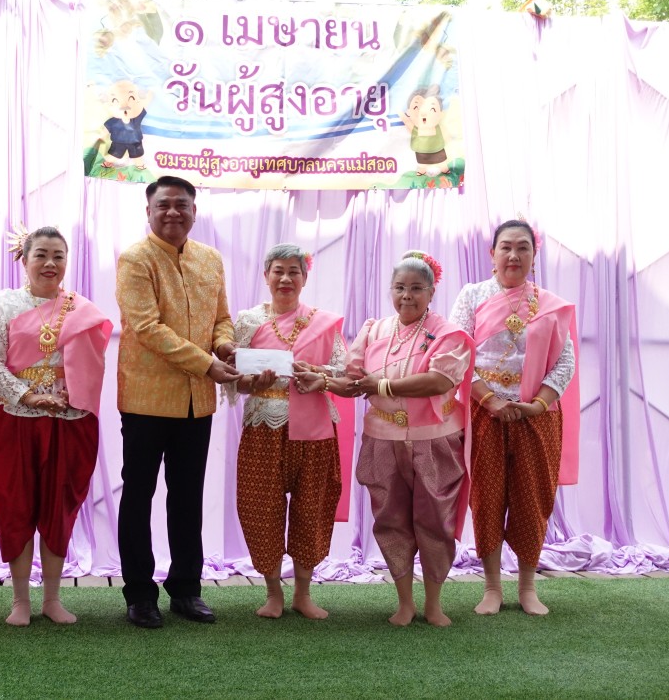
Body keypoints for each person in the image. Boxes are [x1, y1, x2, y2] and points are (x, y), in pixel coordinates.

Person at [115, 176, 241, 629]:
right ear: (148, 211)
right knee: (138, 496)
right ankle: (139, 594)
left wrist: (224, 345)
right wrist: (207, 363)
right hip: (146, 398)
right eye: (164, 204)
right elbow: (147, 328)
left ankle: (186, 589)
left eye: (181, 204)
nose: (173, 212)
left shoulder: (210, 258)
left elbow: (222, 318)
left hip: (196, 403)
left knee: (188, 497)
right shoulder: (135, 259)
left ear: (194, 210)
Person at [0, 226, 114, 626]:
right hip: (13, 420)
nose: (50, 263)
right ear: (24, 260)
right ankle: (20, 600)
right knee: (14, 505)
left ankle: (52, 598)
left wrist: (73, 394)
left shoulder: (80, 309)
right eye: (41, 254)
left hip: (66, 422)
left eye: (58, 255)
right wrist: (27, 395)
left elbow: (93, 365)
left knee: (59, 507)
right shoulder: (6, 303)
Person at [331, 251, 473, 627]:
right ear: (390, 290)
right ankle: (405, 602)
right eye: (399, 287)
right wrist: (322, 380)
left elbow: (439, 381)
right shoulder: (375, 330)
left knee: (436, 520)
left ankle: (434, 603)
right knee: (390, 519)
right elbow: (352, 379)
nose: (406, 296)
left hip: (435, 440)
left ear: (431, 292)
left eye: (416, 288)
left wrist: (382, 385)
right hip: (382, 438)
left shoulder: (448, 334)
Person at [450, 219, 577, 617]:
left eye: (523, 247)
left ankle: (527, 587)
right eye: (506, 247)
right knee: (486, 497)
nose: (514, 255)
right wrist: (489, 400)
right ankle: (491, 587)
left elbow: (566, 361)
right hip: (483, 412)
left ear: (534, 257)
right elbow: (456, 354)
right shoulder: (472, 296)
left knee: (532, 498)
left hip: (536, 416)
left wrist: (536, 404)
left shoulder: (550, 304)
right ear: (492, 254)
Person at [227, 244, 345, 620]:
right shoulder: (248, 321)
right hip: (264, 426)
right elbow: (233, 376)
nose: (286, 278)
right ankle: (273, 593)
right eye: (278, 270)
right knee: (262, 506)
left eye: (294, 271)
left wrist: (320, 375)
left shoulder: (323, 322)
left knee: (312, 507)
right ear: (266, 276)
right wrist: (252, 381)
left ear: (305, 278)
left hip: (315, 429)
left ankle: (303, 594)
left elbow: (342, 370)